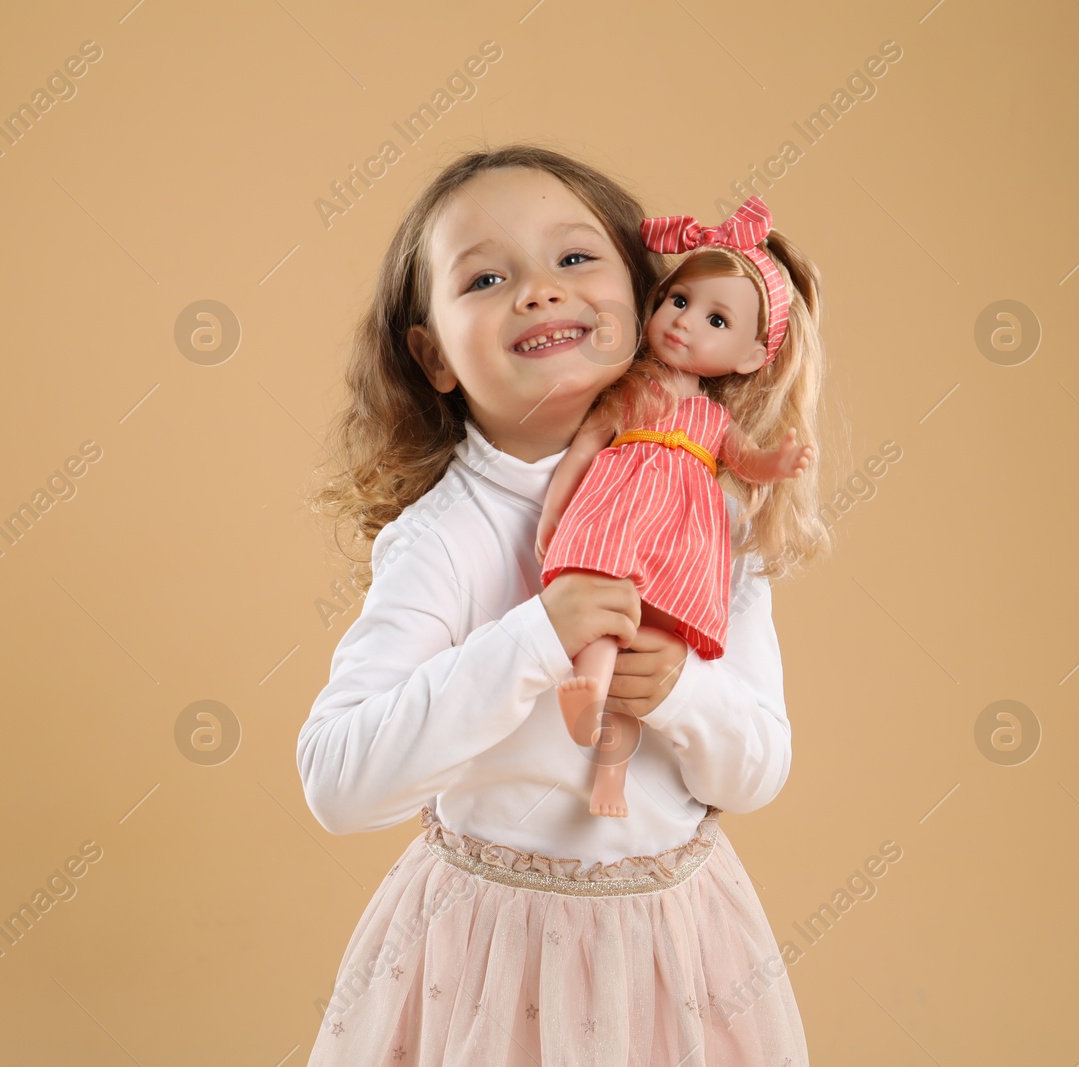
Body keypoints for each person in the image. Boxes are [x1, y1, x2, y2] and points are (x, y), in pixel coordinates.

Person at [300, 143, 817, 1065]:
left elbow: (757, 772)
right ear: (434, 357)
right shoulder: (444, 539)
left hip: (674, 961)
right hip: (486, 970)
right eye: (487, 277)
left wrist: (680, 694)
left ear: (654, 300)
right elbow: (339, 782)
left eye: (575, 258)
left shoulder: (716, 520)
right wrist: (538, 633)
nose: (538, 290)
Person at [535, 196, 828, 818]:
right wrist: (554, 515)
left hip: (676, 544)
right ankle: (583, 690)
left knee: (644, 652)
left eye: (717, 321)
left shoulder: (712, 419)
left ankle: (608, 778)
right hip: (614, 519)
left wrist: (775, 464)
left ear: (753, 357)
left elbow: (744, 460)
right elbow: (586, 447)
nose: (685, 322)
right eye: (680, 301)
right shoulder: (631, 391)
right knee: (602, 615)